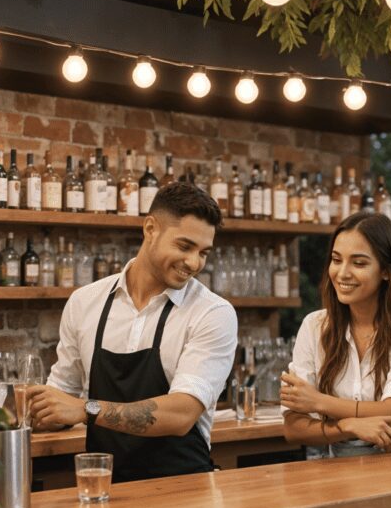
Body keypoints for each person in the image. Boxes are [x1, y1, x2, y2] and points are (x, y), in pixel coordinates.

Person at [28, 182, 237, 482]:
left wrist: (85, 410)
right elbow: (63, 395)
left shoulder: (212, 313)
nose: (194, 263)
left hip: (184, 488)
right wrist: (34, 411)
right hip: (103, 485)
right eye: (184, 246)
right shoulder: (86, 301)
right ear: (150, 229)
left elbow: (181, 414)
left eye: (203, 252)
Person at [280, 212, 391, 457]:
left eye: (359, 263)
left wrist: (318, 402)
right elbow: (293, 429)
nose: (342, 273)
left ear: (386, 270)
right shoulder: (314, 325)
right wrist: (348, 426)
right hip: (334, 460)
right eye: (336, 260)